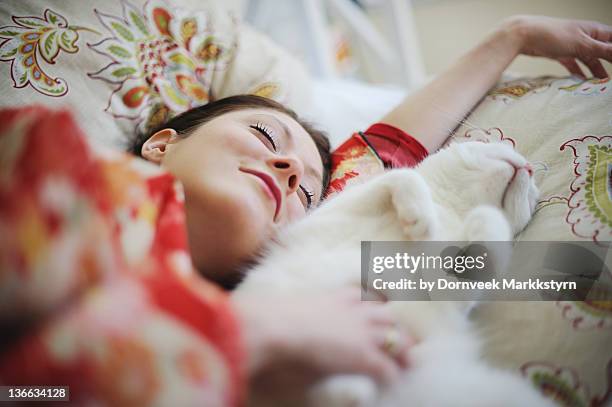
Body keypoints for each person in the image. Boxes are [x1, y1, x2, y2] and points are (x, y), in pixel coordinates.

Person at [1, 14, 610, 406]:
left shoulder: (280, 281)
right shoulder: (50, 171)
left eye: (308, 193)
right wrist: (249, 338)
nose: (291, 172)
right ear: (164, 141)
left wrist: (514, 37)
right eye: (267, 139)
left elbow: (562, 270)